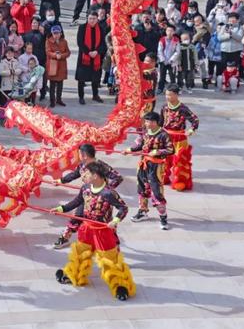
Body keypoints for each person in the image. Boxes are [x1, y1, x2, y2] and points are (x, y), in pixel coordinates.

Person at [53, 161, 134, 301]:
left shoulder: (108, 193)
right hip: (86, 228)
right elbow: (77, 201)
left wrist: (115, 221)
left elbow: (123, 208)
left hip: (103, 231)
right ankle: (74, 275)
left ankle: (121, 286)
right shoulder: (85, 188)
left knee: (109, 260)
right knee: (80, 254)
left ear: (95, 176)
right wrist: (61, 209)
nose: (83, 175)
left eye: (86, 173)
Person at [53, 144, 123, 249]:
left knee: (105, 224)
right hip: (87, 196)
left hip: (101, 201)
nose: (78, 156)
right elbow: (74, 174)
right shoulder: (82, 165)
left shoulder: (101, 166)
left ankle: (114, 247)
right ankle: (65, 237)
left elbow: (118, 178)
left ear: (84, 155)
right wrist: (61, 181)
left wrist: (106, 190)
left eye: (79, 154)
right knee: (77, 216)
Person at [127, 111, 174, 230]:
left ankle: (163, 218)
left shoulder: (163, 134)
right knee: (142, 188)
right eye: (147, 121)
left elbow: (171, 150)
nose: (148, 124)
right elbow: (140, 146)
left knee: (156, 191)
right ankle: (143, 211)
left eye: (151, 122)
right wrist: (129, 150)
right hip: (143, 164)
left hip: (156, 167)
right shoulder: (145, 132)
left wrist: (158, 152)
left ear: (157, 122)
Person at [161, 85, 199, 192]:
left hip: (179, 137)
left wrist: (191, 130)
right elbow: (160, 122)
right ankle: (163, 177)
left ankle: (180, 181)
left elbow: (195, 120)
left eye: (170, 95)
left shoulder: (183, 109)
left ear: (177, 95)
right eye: (166, 94)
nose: (168, 97)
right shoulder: (164, 107)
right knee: (164, 159)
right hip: (167, 137)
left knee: (180, 160)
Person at [75, 11, 106, 104]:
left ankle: (95, 95)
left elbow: (103, 44)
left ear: (97, 19)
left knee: (95, 78)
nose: (92, 21)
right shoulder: (82, 28)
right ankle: (81, 97)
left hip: (96, 57)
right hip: (84, 57)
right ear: (87, 19)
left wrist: (97, 51)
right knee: (81, 78)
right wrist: (88, 52)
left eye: (94, 19)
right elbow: (80, 42)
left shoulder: (101, 29)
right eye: (90, 18)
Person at [45, 25, 70, 107]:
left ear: (61, 33)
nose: (56, 35)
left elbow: (68, 52)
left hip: (62, 64)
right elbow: (48, 52)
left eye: (57, 33)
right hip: (53, 64)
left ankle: (59, 99)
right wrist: (55, 55)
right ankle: (52, 101)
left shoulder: (64, 41)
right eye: (54, 33)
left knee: (60, 84)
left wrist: (61, 56)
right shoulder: (48, 41)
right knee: (52, 85)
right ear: (52, 33)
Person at [157, 25, 180, 93]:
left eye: (171, 31)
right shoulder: (162, 40)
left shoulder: (176, 40)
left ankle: (174, 90)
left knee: (172, 76)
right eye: (168, 30)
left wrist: (171, 59)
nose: (169, 32)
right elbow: (160, 50)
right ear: (166, 31)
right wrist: (163, 59)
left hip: (172, 62)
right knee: (162, 76)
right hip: (163, 61)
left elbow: (177, 51)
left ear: (174, 32)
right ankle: (160, 88)